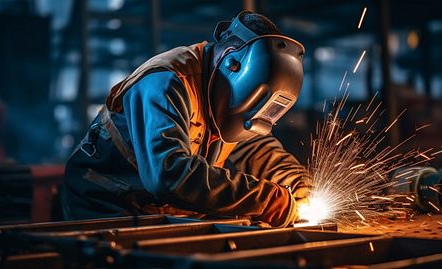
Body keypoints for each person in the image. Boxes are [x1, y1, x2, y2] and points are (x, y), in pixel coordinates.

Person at [62, 11, 310, 228]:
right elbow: (169, 174)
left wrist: (297, 185)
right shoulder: (167, 82)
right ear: (231, 62)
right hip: (106, 203)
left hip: (161, 207)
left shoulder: (225, 94)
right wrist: (267, 200)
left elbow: (255, 144)